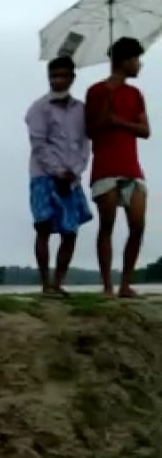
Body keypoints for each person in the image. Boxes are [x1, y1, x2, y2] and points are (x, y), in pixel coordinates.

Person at [85, 37, 150, 298]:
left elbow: (145, 130)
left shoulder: (135, 94)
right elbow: (91, 131)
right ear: (124, 61)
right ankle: (107, 286)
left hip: (131, 168)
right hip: (105, 167)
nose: (139, 64)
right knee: (107, 226)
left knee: (137, 225)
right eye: (136, 59)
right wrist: (106, 112)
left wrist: (118, 120)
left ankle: (125, 284)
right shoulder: (96, 91)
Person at [25, 55, 91, 296]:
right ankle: (45, 284)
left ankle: (57, 282)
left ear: (72, 78)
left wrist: (73, 172)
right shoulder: (38, 108)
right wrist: (57, 172)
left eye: (63, 75)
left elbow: (84, 145)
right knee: (43, 227)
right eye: (53, 76)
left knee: (70, 231)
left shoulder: (82, 110)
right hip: (43, 176)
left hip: (71, 178)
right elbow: (39, 144)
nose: (58, 80)